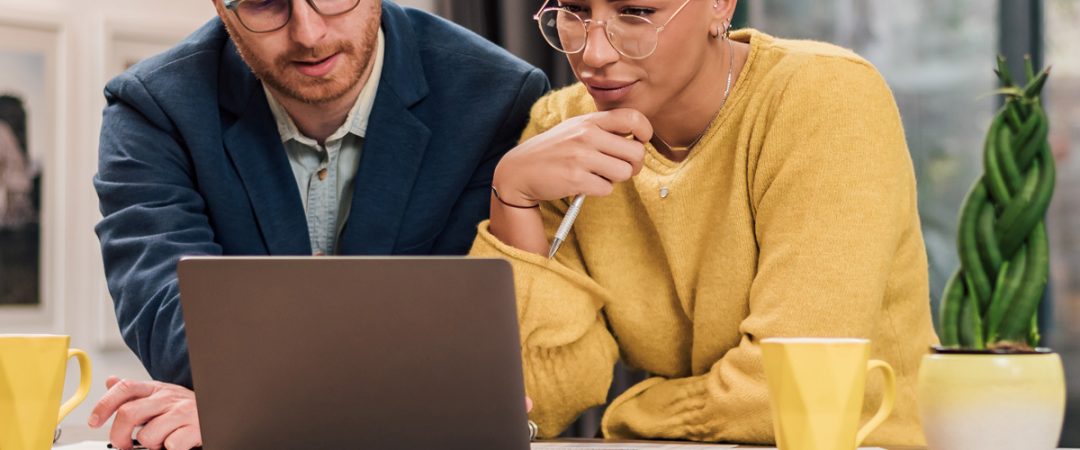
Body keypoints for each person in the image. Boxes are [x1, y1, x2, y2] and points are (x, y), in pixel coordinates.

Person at [470, 0, 937, 445]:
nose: (593, 53)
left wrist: (633, 414)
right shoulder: (562, 129)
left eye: (636, 12)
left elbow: (785, 388)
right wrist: (512, 196)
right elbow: (537, 401)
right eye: (574, 12)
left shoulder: (826, 94)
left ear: (720, 5)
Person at [88, 0, 548, 448]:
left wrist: (245, 407)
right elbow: (169, 317)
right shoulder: (151, 109)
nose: (308, 34)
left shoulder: (499, 99)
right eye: (264, 3)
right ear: (220, 7)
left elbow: (478, 347)